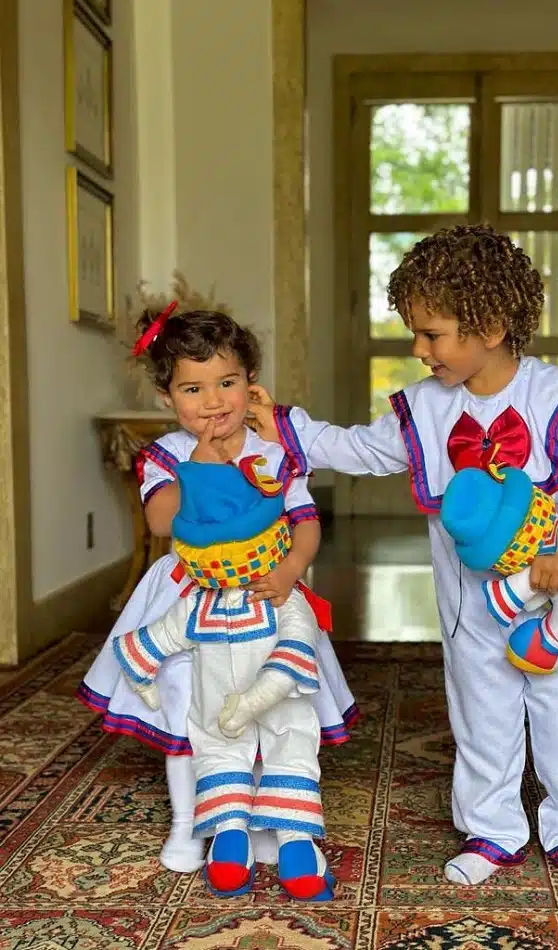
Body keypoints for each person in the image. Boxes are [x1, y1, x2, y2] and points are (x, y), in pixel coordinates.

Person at [249, 224, 558, 892]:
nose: (419, 349)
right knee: (481, 711)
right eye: (414, 333)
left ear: (489, 325)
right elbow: (361, 450)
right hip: (470, 604)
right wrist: (282, 425)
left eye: (432, 333)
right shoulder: (424, 408)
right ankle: (492, 827)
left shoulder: (557, 397)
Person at [78, 305, 358, 876]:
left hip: (266, 591)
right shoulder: (169, 456)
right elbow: (161, 521)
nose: (213, 402)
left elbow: (305, 518)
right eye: (193, 389)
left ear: (250, 383)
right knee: (190, 710)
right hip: (189, 596)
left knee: (266, 704)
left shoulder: (275, 448)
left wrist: (293, 570)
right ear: (167, 398)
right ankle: (192, 822)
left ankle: (259, 821)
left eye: (227, 383)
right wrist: (203, 466)